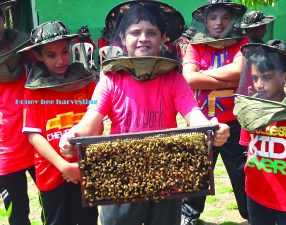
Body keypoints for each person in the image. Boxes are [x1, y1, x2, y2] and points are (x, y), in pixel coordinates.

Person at [59, 1, 230, 225]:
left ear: (162, 38)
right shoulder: (110, 80)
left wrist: (213, 129)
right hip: (120, 176)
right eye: (135, 32)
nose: (143, 38)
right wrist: (72, 135)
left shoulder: (174, 79)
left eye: (151, 32)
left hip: (167, 174)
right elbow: (90, 122)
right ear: (122, 38)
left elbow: (194, 115)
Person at [18, 21, 99, 225]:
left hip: (84, 170)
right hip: (51, 174)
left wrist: (78, 163)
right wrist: (63, 165)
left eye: (64, 51)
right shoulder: (33, 90)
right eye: (51, 55)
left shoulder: (86, 82)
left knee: (88, 220)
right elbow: (33, 136)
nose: (61, 60)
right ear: (38, 56)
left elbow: (97, 125)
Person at [181, 0, 250, 224]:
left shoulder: (242, 43)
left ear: (233, 20)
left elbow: (240, 70)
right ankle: (189, 215)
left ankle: (251, 215)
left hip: (236, 122)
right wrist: (226, 75)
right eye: (213, 18)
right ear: (205, 21)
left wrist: (206, 74)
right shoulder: (195, 46)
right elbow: (190, 78)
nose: (218, 23)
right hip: (201, 121)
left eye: (224, 17)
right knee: (197, 170)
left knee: (242, 172)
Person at [234, 39, 286, 225]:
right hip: (255, 194)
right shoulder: (251, 110)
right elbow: (248, 149)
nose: (259, 84)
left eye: (267, 77)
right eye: (255, 78)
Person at [0, 1, 37, 224]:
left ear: (3, 20)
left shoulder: (27, 51)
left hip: (38, 142)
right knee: (17, 214)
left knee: (50, 206)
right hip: (5, 152)